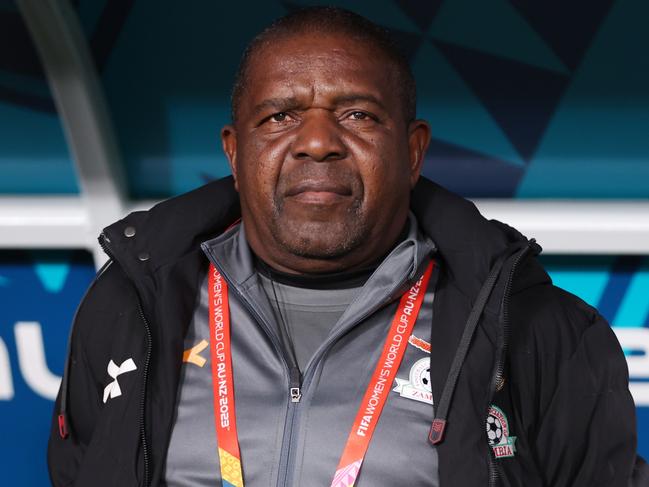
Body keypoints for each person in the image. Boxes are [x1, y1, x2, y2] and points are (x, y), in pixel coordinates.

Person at [48, 7, 647, 487]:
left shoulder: (537, 330)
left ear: (412, 151)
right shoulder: (131, 306)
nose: (316, 143)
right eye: (280, 116)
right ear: (234, 152)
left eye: (357, 114)